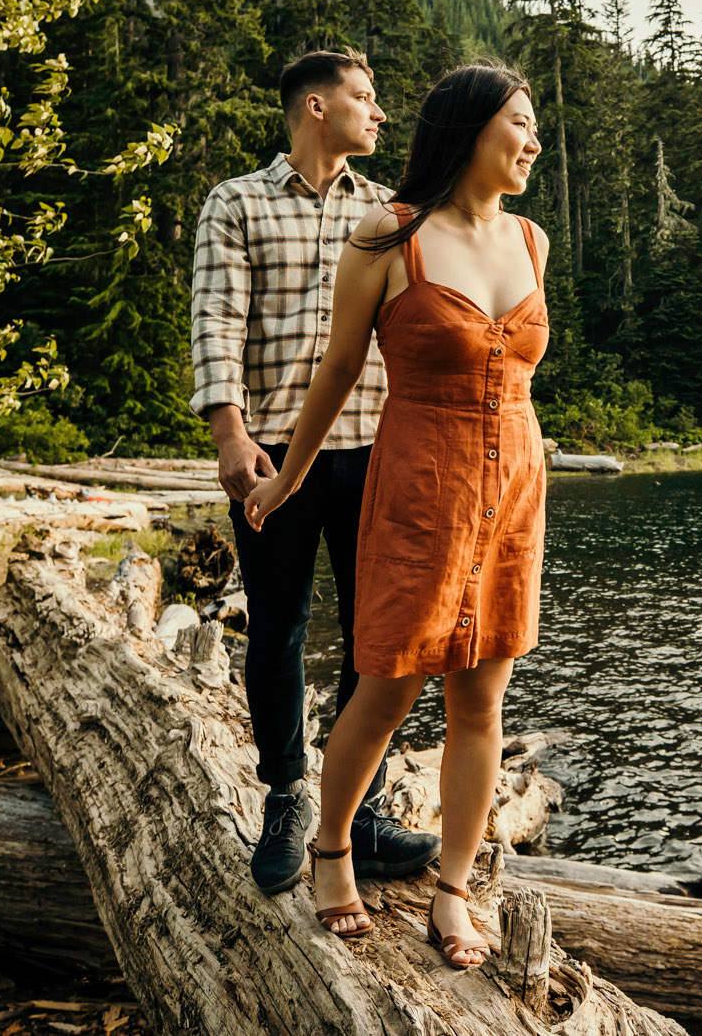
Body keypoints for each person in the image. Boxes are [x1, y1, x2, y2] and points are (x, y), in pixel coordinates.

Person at [241, 60, 548, 969]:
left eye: (535, 129)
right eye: (520, 124)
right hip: (421, 487)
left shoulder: (533, 242)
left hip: (515, 493)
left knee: (482, 699)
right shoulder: (389, 236)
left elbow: (517, 378)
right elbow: (336, 371)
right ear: (469, 128)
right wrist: (289, 476)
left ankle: (452, 889)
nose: (532, 142)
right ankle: (332, 844)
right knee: (387, 685)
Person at [188, 49, 440, 898]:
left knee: (379, 637)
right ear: (315, 106)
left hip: (380, 453)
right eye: (365, 98)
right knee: (279, 628)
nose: (379, 113)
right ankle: (289, 795)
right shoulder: (238, 203)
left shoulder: (392, 212)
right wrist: (229, 434)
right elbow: (217, 321)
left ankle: (358, 810)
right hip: (270, 456)